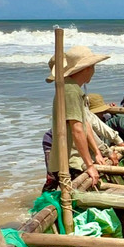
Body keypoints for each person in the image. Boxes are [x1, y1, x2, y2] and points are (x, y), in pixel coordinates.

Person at [45, 44, 108, 187]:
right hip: (69, 163)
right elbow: (77, 129)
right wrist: (89, 165)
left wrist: (97, 152)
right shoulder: (70, 90)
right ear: (87, 68)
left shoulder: (73, 88)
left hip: (74, 160)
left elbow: (85, 124)